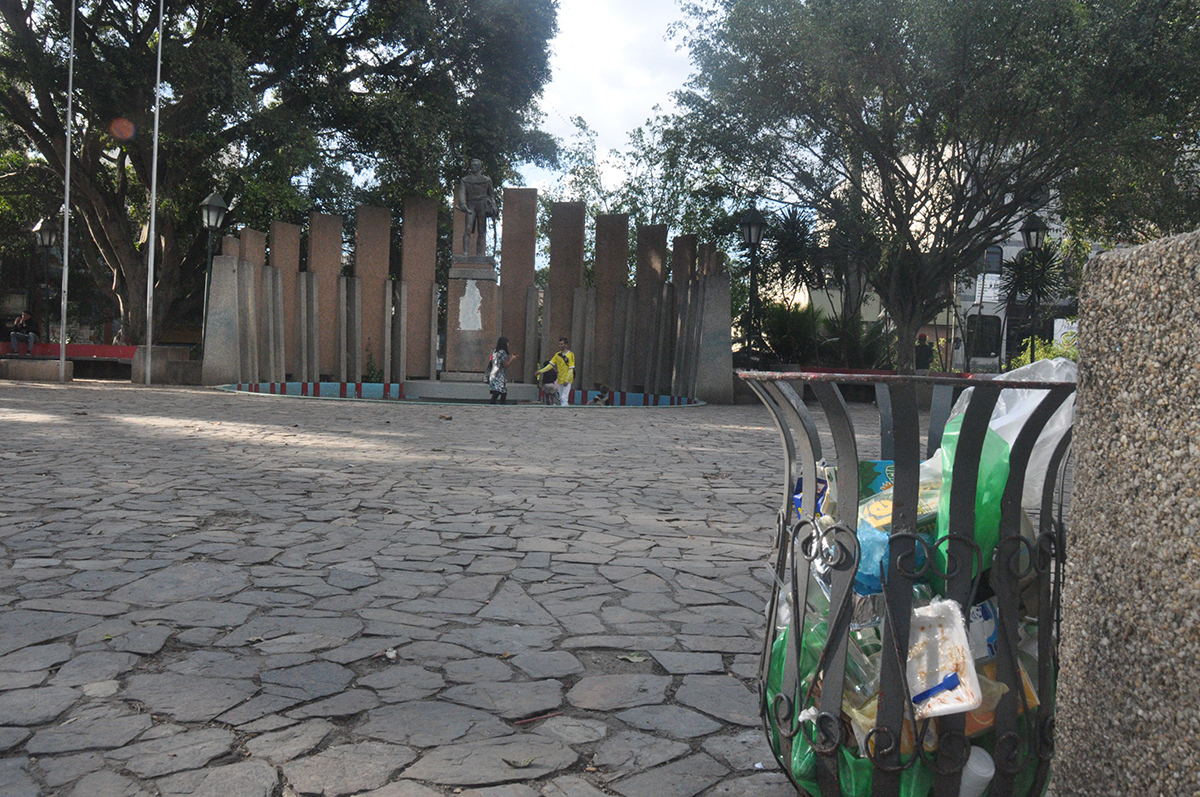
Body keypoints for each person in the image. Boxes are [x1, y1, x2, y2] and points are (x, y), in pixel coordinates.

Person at [456, 158, 495, 256]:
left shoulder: (486, 180)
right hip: (471, 204)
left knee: (482, 230)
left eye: (475, 165)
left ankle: (479, 253)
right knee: (468, 228)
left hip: (482, 204)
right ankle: (465, 252)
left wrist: (493, 205)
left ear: (479, 167)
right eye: (472, 165)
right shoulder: (465, 180)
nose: (473, 167)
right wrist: (463, 204)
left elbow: (491, 195)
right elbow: (462, 193)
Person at [536, 337, 576, 407]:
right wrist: (541, 371)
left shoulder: (570, 355)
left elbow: (571, 368)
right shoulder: (557, 355)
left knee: (564, 397)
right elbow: (550, 365)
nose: (560, 346)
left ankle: (564, 410)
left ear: (566, 345)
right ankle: (565, 408)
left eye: (562, 344)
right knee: (561, 398)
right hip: (560, 379)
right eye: (559, 344)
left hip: (567, 379)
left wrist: (567, 379)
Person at [486, 336, 518, 404]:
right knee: (500, 392)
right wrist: (512, 359)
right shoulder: (503, 352)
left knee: (498, 392)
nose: (508, 345)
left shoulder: (495, 352)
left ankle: (499, 405)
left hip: (493, 374)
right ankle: (499, 405)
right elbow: (506, 365)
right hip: (499, 376)